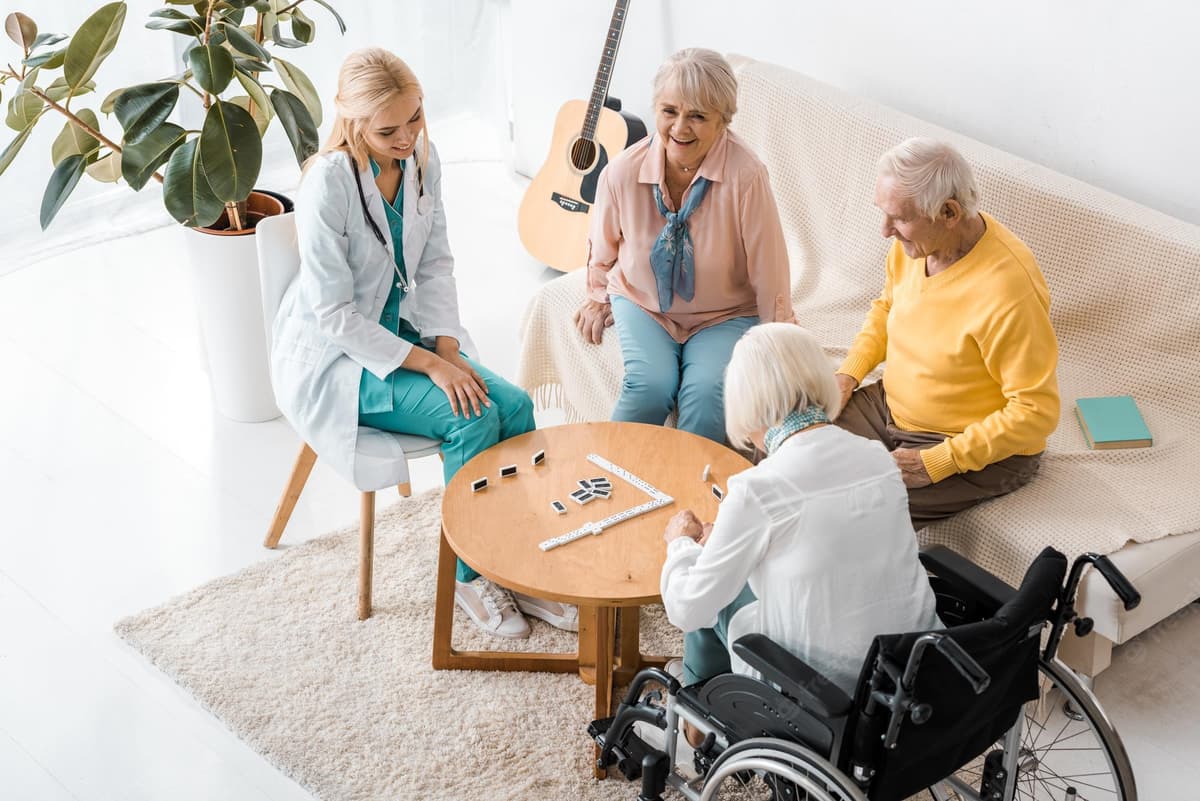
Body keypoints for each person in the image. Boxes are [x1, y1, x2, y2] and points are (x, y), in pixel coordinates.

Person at [272, 48, 575, 639]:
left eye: (415, 118)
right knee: (471, 418)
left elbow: (435, 263)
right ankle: (468, 574)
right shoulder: (328, 185)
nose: (408, 136)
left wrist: (448, 349)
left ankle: (510, 557)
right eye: (389, 129)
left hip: (406, 330)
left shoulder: (421, 161)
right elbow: (334, 314)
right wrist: (430, 366)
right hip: (345, 359)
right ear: (350, 118)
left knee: (515, 407)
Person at [660, 323, 941, 701]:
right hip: (908, 667)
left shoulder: (756, 489)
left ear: (747, 405)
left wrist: (681, 545)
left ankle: (697, 704)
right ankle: (701, 695)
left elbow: (688, 610)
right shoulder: (877, 458)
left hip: (822, 688)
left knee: (706, 579)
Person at [834, 138, 1060, 527]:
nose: (885, 230)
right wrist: (848, 373)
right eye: (883, 214)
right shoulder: (915, 246)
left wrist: (941, 461)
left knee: (850, 515)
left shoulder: (1008, 290)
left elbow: (1036, 410)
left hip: (965, 444)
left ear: (949, 212)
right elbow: (887, 308)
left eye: (899, 219)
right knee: (789, 448)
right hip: (889, 407)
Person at [574, 48, 794, 444]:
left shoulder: (746, 176)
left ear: (723, 121)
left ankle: (692, 497)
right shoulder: (622, 172)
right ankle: (609, 479)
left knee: (708, 396)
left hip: (724, 313)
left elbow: (769, 265)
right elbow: (602, 246)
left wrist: (777, 336)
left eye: (698, 116)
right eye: (669, 111)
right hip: (644, 303)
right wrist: (596, 296)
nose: (680, 127)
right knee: (649, 387)